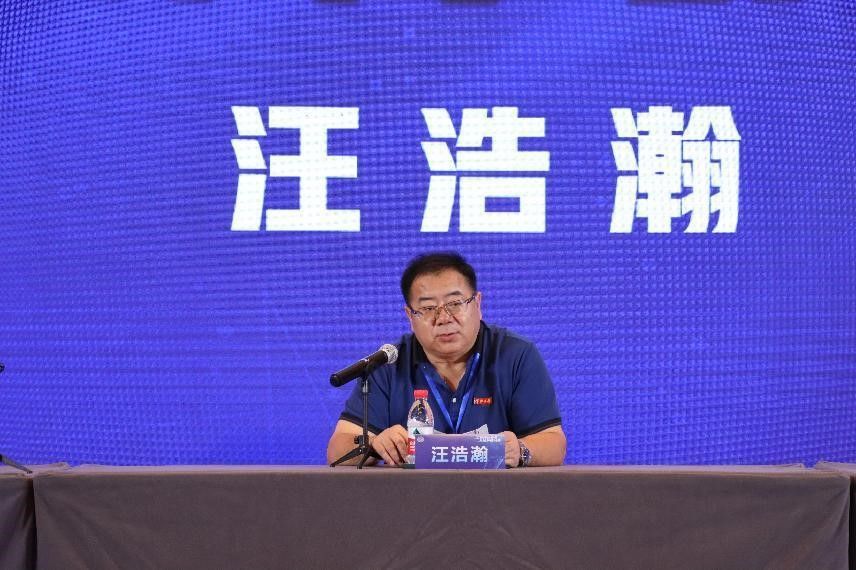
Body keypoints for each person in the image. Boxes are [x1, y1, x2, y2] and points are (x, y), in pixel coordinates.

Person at [327, 252, 566, 467]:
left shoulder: (516, 354)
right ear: (410, 316)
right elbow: (338, 447)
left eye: (455, 304)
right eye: (428, 308)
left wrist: (520, 450)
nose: (443, 318)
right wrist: (375, 445)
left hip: (498, 496)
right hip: (411, 497)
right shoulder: (388, 363)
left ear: (478, 303)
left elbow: (554, 443)